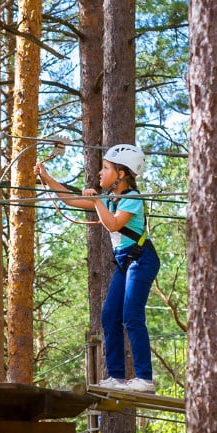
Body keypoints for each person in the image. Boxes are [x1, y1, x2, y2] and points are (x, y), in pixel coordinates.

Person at [35, 143, 159, 393]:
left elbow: (113, 225)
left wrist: (97, 201)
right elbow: (70, 199)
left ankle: (144, 378)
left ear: (121, 174)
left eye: (106, 168)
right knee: (109, 315)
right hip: (126, 262)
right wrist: (47, 178)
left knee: (131, 316)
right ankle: (116, 376)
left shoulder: (131, 199)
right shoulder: (108, 200)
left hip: (141, 259)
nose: (100, 173)